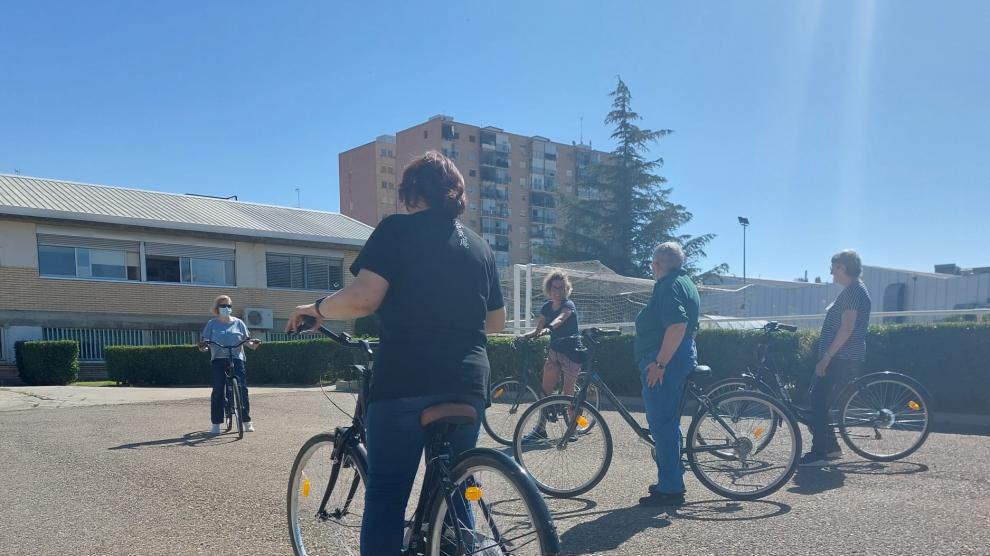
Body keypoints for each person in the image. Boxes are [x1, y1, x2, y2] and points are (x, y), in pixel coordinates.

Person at [285, 151, 505, 555]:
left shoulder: (396, 230)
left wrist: (314, 309)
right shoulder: (479, 246)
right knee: (455, 490)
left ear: (411, 192)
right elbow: (495, 322)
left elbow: (364, 298)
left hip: (406, 377)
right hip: (469, 382)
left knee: (387, 493)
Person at [633, 242, 700, 507]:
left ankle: (671, 487)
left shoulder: (668, 285)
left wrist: (659, 363)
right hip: (681, 355)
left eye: (653, 263)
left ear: (657, 264)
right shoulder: (685, 282)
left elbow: (677, 324)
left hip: (667, 359)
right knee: (669, 421)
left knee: (662, 422)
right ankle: (673, 476)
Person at [799, 249, 871, 466]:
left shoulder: (852, 292)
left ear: (842, 267)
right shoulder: (855, 290)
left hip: (841, 356)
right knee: (819, 400)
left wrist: (827, 356)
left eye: (833, 266)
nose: (831, 271)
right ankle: (830, 448)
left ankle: (820, 453)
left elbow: (847, 328)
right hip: (842, 355)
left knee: (819, 403)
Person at [519, 271, 584, 442]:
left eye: (562, 288)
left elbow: (561, 318)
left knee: (568, 396)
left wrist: (550, 327)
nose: (558, 291)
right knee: (545, 394)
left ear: (566, 289)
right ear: (549, 288)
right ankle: (540, 430)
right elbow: (538, 328)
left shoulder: (569, 304)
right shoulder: (547, 307)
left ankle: (572, 430)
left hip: (572, 354)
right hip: (555, 352)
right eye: (555, 287)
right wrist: (526, 336)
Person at [198, 295, 261, 435]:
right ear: (217, 308)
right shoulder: (212, 324)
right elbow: (205, 345)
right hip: (218, 359)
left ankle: (246, 421)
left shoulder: (239, 323)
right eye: (223, 306)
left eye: (229, 306)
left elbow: (248, 343)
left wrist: (255, 344)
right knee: (218, 389)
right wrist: (203, 347)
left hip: (237, 358)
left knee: (242, 389)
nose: (227, 308)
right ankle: (216, 424)